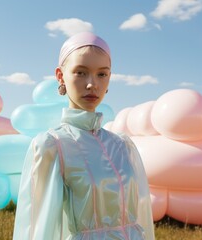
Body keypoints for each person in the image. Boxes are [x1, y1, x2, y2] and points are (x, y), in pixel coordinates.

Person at [13, 32, 155, 240]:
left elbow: (142, 216)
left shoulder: (123, 146)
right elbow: (38, 227)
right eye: (81, 72)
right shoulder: (53, 146)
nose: (92, 84)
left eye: (102, 74)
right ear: (60, 76)